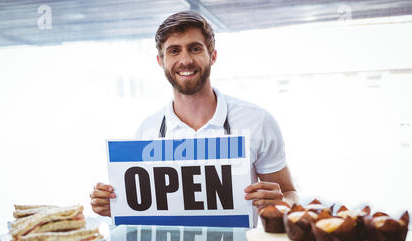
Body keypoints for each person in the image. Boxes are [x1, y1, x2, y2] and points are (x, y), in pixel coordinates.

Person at [90, 11, 299, 226]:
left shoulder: (257, 121)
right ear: (160, 61)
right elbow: (146, 216)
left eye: (195, 48)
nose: (186, 60)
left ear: (213, 56)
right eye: (174, 51)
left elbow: (290, 193)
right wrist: (114, 205)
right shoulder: (148, 130)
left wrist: (281, 201)